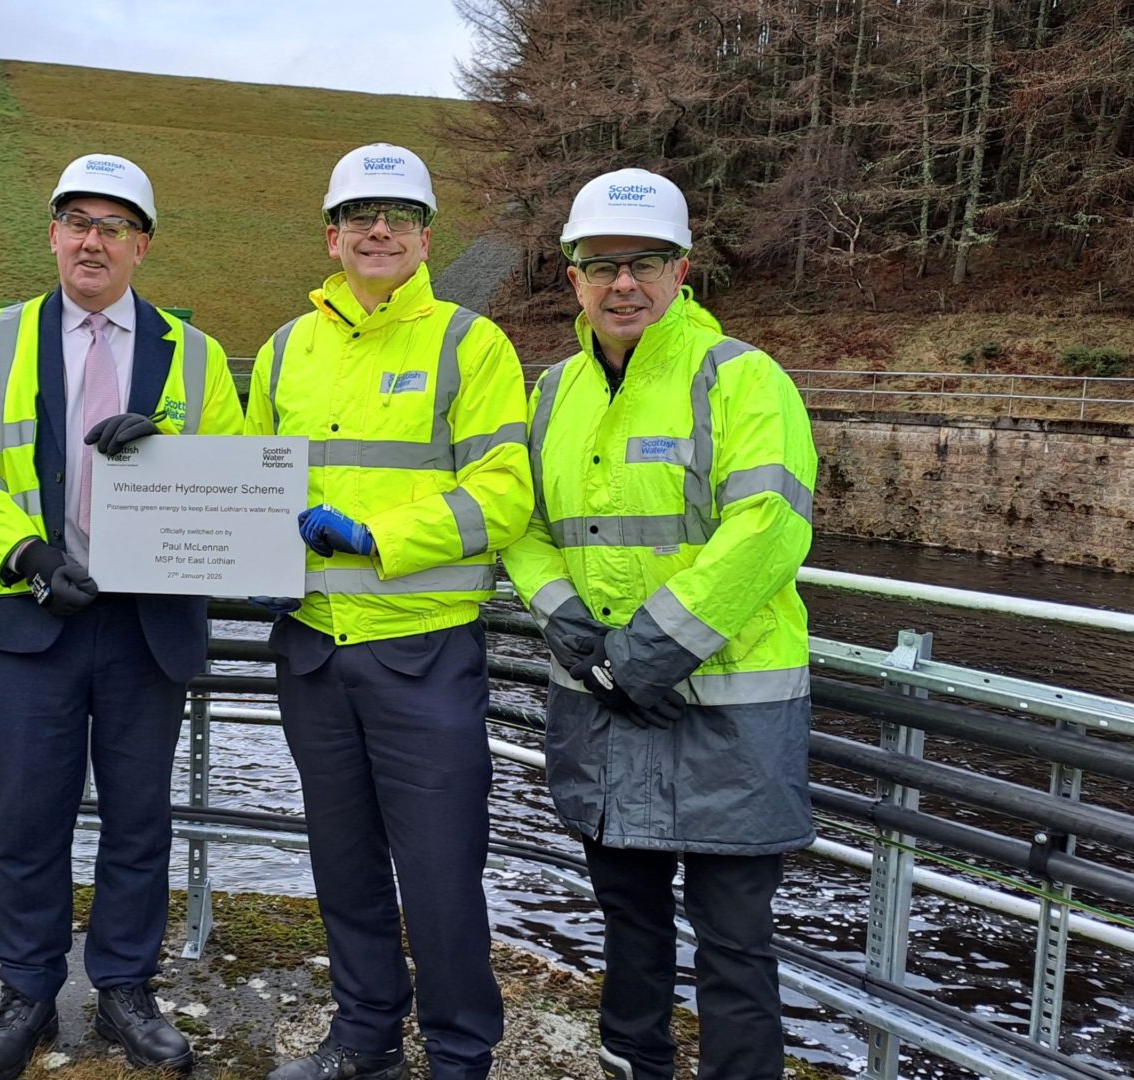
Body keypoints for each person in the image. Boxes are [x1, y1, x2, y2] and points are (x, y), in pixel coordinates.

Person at [500, 167, 817, 1080]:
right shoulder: (555, 392)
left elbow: (769, 531)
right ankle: (632, 1064)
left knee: (734, 942)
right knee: (628, 921)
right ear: (572, 277)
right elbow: (521, 523)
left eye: (645, 262)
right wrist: (567, 626)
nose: (623, 283)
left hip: (728, 713)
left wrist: (640, 654)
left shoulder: (743, 381)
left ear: (684, 270)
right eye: (601, 265)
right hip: (602, 701)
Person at [0, 153, 244, 1080]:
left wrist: (173, 449)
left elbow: (232, 472)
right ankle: (25, 993)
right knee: (28, 817)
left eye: (113, 226)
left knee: (140, 821)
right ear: (55, 236)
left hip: (147, 622)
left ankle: (124, 991)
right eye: (77, 222)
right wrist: (24, 554)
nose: (92, 240)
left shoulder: (192, 350)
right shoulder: (2, 336)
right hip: (37, 616)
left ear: (141, 245)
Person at [244, 143, 531, 1080]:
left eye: (398, 217)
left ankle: (458, 1055)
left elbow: (505, 496)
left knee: (443, 877)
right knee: (345, 866)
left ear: (424, 238)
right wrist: (158, 462)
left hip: (424, 655)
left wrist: (375, 537)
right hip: (315, 650)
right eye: (361, 216)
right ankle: (363, 1037)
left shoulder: (468, 343)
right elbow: (248, 487)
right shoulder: (288, 347)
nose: (378, 230)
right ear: (331, 236)